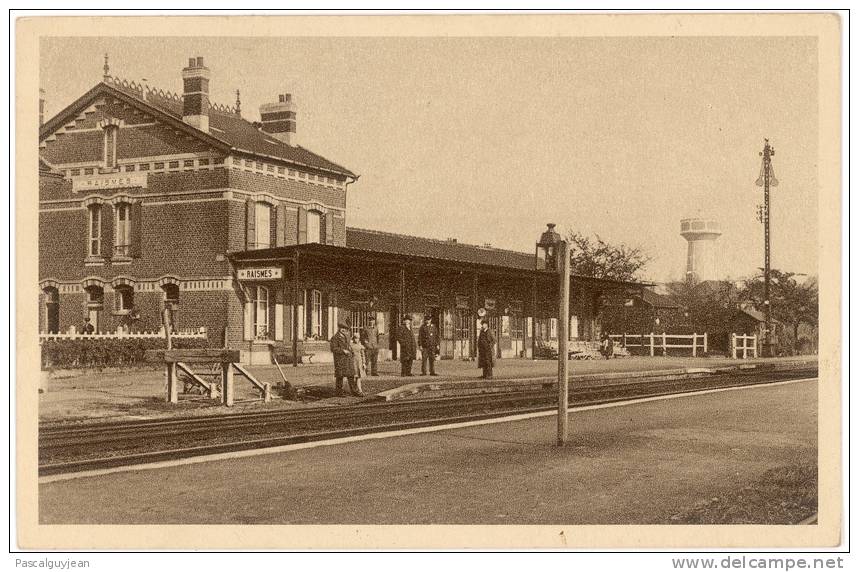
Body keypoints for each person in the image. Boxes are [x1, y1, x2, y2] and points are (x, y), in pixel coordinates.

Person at [329, 322, 360, 396]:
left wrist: (351, 352)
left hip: (348, 359)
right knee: (340, 377)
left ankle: (354, 391)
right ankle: (339, 392)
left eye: (345, 329)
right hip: (340, 360)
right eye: (342, 328)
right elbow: (333, 349)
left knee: (351, 376)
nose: (344, 330)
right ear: (339, 328)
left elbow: (349, 346)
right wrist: (343, 351)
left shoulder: (346, 336)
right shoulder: (335, 338)